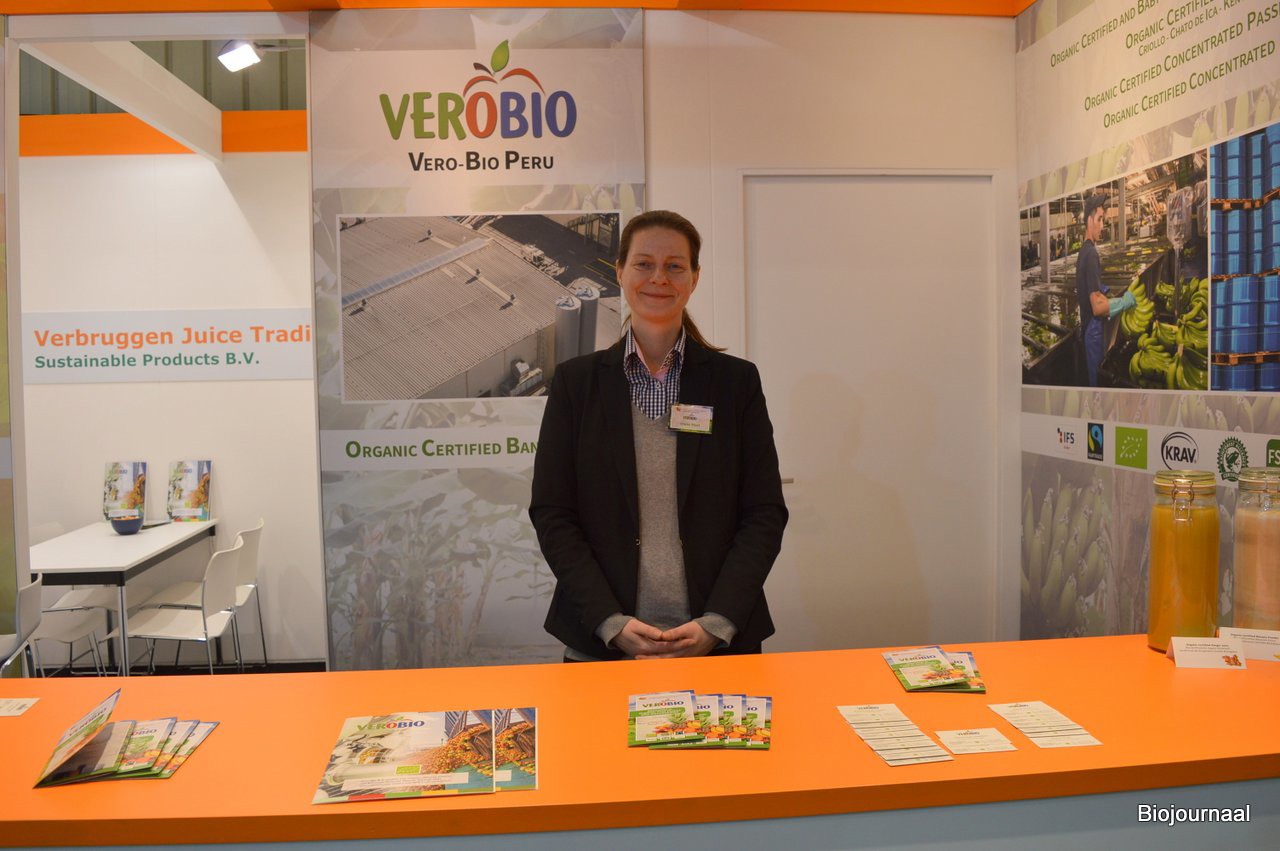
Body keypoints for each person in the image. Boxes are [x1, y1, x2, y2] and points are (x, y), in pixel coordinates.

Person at [530, 210, 788, 661]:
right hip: (602, 643)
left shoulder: (735, 383)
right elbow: (554, 514)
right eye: (644, 264)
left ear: (694, 278)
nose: (659, 278)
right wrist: (609, 622)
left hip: (717, 643)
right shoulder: (576, 384)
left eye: (674, 266)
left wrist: (717, 622)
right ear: (620, 272)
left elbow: (764, 512)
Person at [1077, 193, 1135, 386]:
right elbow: (1097, 308)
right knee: (1097, 385)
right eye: (1099, 219)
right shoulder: (1091, 254)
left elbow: (1090, 290)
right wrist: (1123, 303)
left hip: (1087, 327)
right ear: (1089, 220)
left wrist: (1102, 291)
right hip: (1092, 332)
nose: (1102, 225)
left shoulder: (1084, 251)